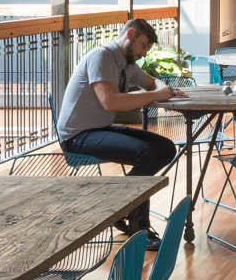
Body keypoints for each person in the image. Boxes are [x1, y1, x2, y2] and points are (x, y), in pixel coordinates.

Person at [56, 16, 184, 177]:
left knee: (166, 148)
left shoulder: (127, 64)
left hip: (100, 128)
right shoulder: (101, 57)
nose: (144, 54)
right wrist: (157, 94)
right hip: (76, 137)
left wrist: (165, 89)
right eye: (143, 46)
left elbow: (152, 82)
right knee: (147, 153)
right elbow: (110, 102)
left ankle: (130, 191)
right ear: (130, 34)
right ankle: (126, 192)